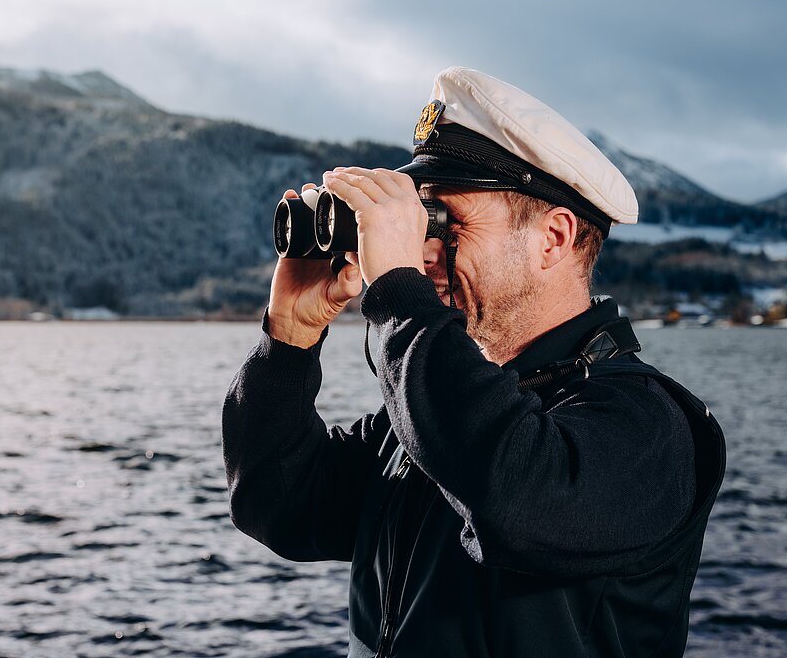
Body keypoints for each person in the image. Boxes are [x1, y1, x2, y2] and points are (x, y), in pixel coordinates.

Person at [222, 67, 726, 657]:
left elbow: (510, 500)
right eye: (421, 224)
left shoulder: (646, 427)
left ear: (553, 238)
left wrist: (397, 295)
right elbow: (280, 504)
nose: (425, 252)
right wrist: (290, 336)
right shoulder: (435, 415)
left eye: (446, 224)